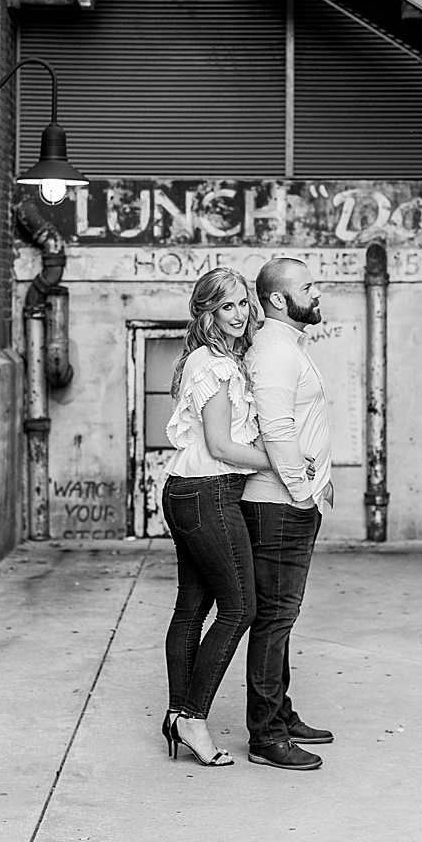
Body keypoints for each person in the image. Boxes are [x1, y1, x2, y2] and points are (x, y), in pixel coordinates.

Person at [158, 267, 274, 768]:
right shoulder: (214, 364)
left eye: (244, 304)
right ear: (207, 313)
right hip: (208, 493)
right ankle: (193, 717)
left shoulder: (212, 359)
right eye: (227, 306)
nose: (239, 314)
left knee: (191, 606)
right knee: (240, 607)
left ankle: (175, 714)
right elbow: (222, 446)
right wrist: (280, 460)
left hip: (187, 490)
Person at [241, 256, 336, 772]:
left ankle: (281, 711)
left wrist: (319, 485)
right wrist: (301, 490)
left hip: (291, 502)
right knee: (274, 618)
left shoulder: (287, 348)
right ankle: (266, 735)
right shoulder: (276, 354)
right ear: (280, 299)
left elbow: (304, 424)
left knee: (282, 616)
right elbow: (278, 431)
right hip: (278, 506)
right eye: (308, 286)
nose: (317, 292)